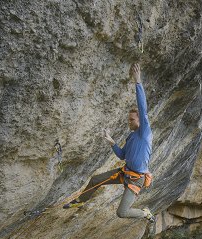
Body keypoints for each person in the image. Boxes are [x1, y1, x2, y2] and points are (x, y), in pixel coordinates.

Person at [64, 63, 155, 223]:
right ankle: (80, 201)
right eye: (128, 119)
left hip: (136, 179)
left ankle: (145, 214)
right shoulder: (132, 136)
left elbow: (142, 107)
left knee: (122, 212)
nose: (129, 122)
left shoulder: (144, 132)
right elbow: (122, 155)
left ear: (140, 121)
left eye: (132, 119)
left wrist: (137, 81)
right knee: (95, 180)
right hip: (125, 172)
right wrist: (111, 141)